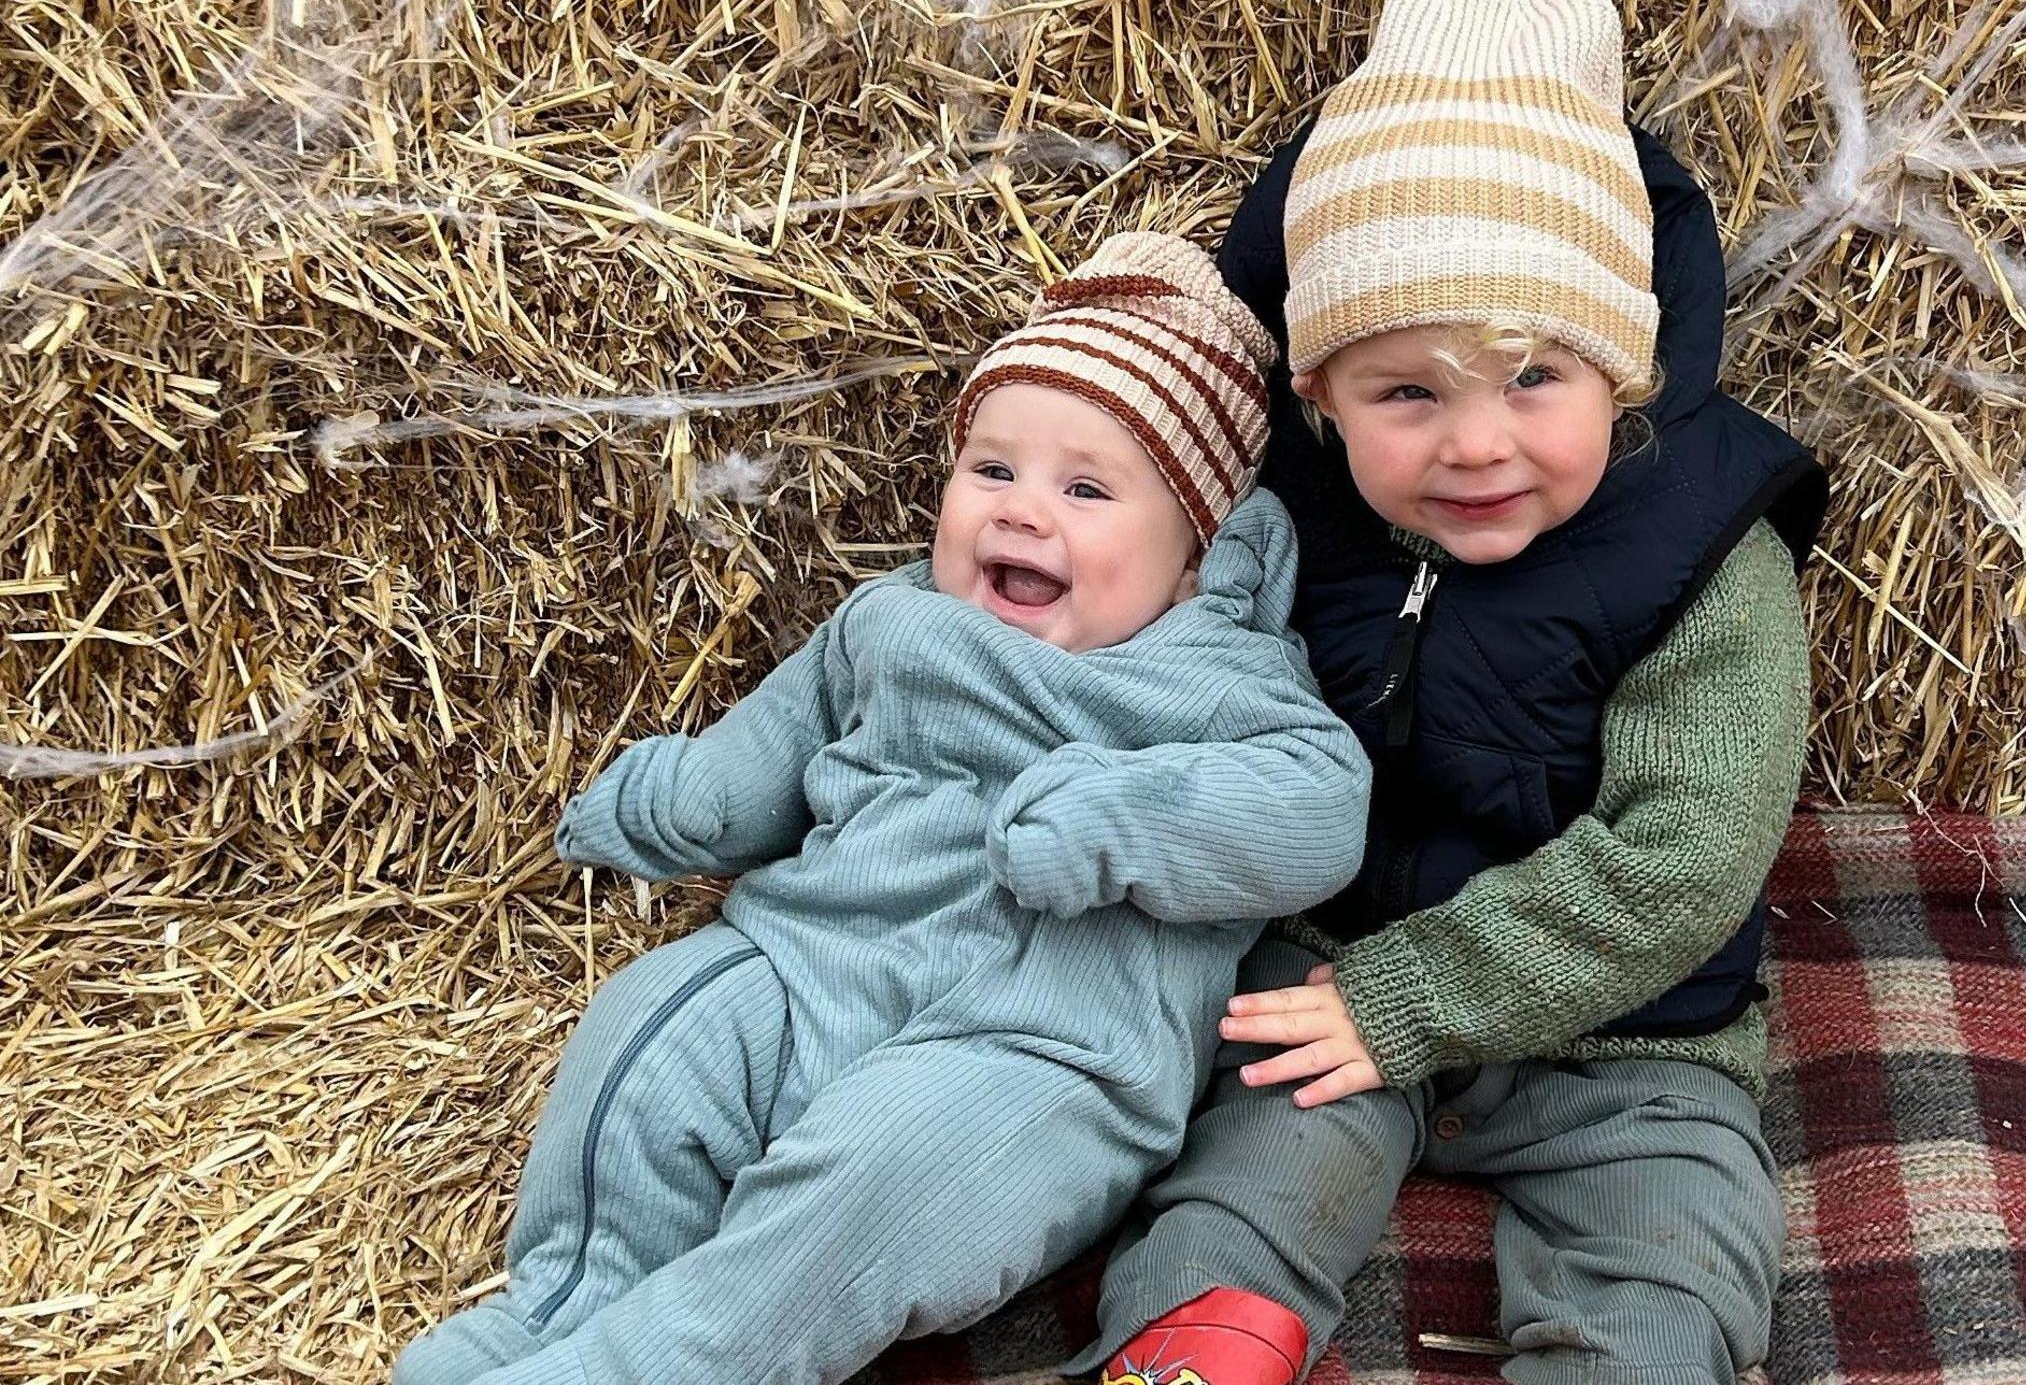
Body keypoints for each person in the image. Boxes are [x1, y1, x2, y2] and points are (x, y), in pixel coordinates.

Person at [394, 231, 1372, 1385]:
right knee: (655, 1028)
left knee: (880, 1177)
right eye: (991, 470)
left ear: (1194, 555)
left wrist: (1123, 817)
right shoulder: (891, 621)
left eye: (1087, 489)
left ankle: (674, 1362)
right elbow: (761, 758)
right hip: (811, 967)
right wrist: (674, 805)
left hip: (1033, 1049)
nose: (1020, 512)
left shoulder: (1220, 674)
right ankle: (572, 1301)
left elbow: (1318, 816)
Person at [1074, 0, 1828, 1384]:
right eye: (1408, 390)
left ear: (1625, 367)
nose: (1476, 444)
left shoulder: (1709, 552)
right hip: (1325, 976)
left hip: (1633, 1038)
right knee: (1229, 1191)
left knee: (1680, 1255)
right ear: (1318, 391)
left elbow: (1686, 859)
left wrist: (1410, 1000)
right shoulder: (1276, 514)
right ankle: (1190, 1350)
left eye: (1536, 377)